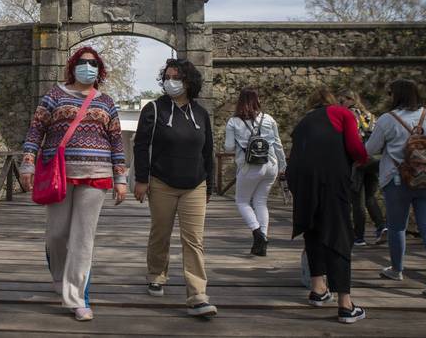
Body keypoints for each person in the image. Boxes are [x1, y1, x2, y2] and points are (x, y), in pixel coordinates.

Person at [19, 46, 127, 322]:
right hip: (60, 174)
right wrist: (28, 162)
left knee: (82, 238)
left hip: (97, 174)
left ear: (99, 69)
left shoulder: (106, 101)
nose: (88, 66)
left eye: (93, 63)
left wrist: (121, 178)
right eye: (83, 62)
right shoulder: (54, 95)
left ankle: (77, 298)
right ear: (73, 65)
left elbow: (116, 141)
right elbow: (36, 130)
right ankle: (60, 277)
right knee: (57, 234)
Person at [133, 58, 217, 318]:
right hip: (161, 183)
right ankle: (157, 274)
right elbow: (140, 146)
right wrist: (142, 179)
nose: (171, 82)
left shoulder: (201, 114)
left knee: (194, 240)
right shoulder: (153, 109)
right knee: (161, 233)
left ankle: (197, 294)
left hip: (195, 185)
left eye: (177, 77)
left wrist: (209, 184)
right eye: (167, 77)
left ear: (189, 82)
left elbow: (208, 150)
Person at [287, 87, 368, 324]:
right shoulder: (342, 114)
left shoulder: (303, 122)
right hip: (331, 181)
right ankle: (346, 305)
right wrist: (362, 159)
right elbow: (355, 148)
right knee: (338, 236)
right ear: (332, 101)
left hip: (301, 182)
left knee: (313, 231)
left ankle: (319, 290)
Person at [365, 79, 426, 297]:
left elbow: (370, 149)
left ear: (396, 96)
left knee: (397, 227)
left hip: (398, 180)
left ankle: (396, 269)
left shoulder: (387, 119)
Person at [224, 88, 286, 256]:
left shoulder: (233, 122)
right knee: (260, 202)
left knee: (242, 201)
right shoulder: (268, 119)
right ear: (257, 100)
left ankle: (257, 232)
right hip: (271, 165)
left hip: (249, 167)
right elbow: (278, 144)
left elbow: (228, 147)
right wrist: (283, 166)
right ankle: (262, 242)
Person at [338, 89, 387, 246]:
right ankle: (381, 226)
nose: (340, 104)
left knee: (357, 199)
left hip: (358, 161)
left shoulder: (348, 115)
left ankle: (359, 237)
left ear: (350, 99)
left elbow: (347, 138)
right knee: (370, 197)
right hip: (374, 160)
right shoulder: (372, 116)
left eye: (341, 101)